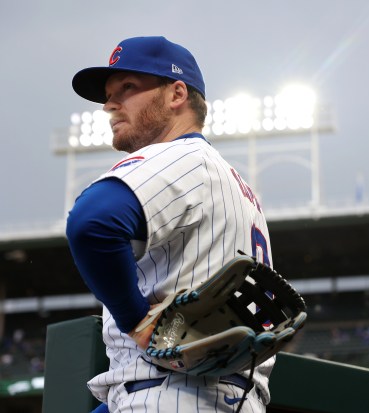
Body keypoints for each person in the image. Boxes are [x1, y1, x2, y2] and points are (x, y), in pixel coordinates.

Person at [66, 36, 273, 413]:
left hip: (170, 393)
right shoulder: (236, 186)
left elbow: (91, 223)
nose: (110, 104)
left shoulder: (183, 157)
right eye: (110, 94)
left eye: (127, 88)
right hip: (222, 397)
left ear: (177, 94)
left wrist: (137, 321)